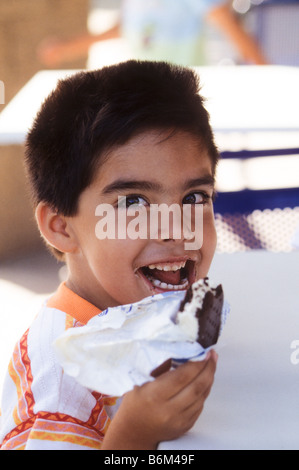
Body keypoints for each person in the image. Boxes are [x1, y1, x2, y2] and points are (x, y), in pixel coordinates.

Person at [0, 60, 220, 450]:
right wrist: (134, 436)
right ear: (62, 226)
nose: (175, 229)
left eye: (193, 197)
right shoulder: (62, 382)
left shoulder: (137, 306)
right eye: (133, 202)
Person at [38, 0, 268, 67]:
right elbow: (126, 28)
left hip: (184, 90)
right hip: (147, 87)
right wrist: (69, 47)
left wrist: (265, 70)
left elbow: (233, 30)